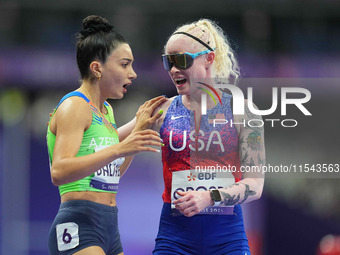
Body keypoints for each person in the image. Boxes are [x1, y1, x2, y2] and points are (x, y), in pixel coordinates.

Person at [119, 18, 265, 254]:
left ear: (209, 59)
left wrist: (210, 197)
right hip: (174, 238)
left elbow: (255, 185)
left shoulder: (243, 110)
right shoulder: (161, 110)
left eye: (183, 60)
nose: (175, 69)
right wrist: (72, 123)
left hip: (227, 238)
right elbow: (110, 139)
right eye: (169, 62)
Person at [46, 15, 165, 255]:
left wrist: (138, 129)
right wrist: (121, 148)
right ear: (97, 68)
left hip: (110, 227)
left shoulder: (106, 110)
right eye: (124, 64)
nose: (133, 74)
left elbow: (111, 174)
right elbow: (59, 172)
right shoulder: (75, 106)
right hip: (79, 224)